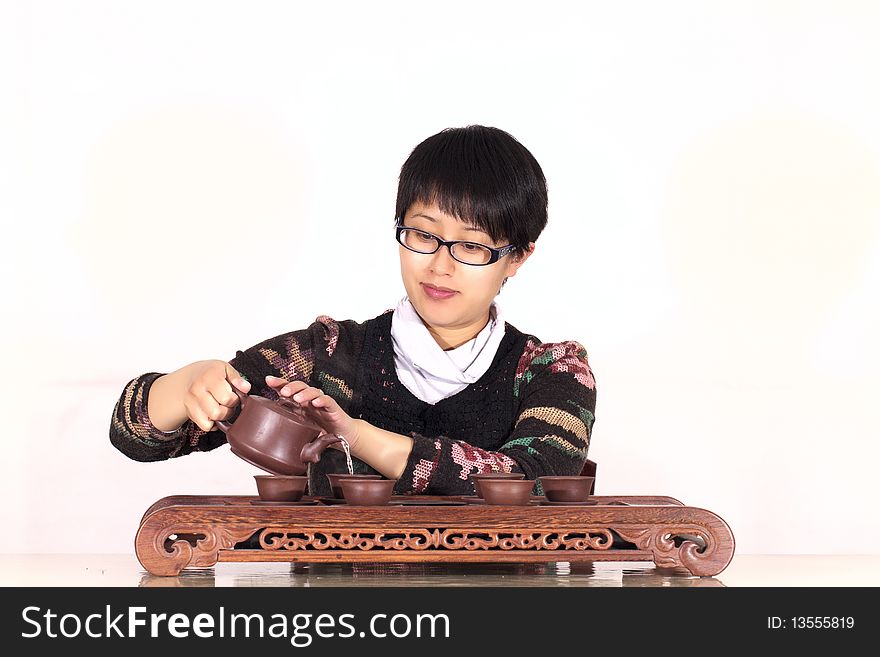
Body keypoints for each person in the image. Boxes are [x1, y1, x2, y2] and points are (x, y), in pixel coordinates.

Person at [109, 125, 597, 497]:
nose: (440, 266)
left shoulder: (552, 373)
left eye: (471, 247)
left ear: (518, 256)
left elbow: (527, 481)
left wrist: (358, 437)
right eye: (424, 235)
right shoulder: (330, 354)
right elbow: (137, 436)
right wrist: (193, 381)